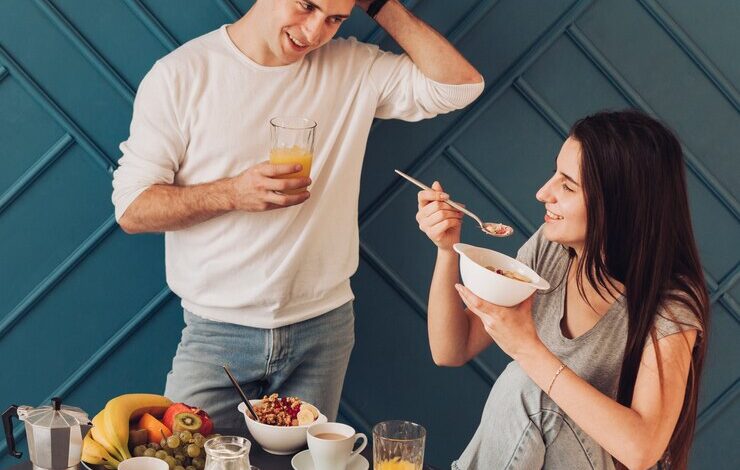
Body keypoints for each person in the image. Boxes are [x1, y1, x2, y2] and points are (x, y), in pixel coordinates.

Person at [111, 0, 483, 428]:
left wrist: (378, 4)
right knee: (183, 455)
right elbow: (133, 208)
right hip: (216, 334)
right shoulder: (181, 75)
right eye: (306, 6)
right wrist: (233, 193)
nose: (312, 32)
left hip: (323, 332)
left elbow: (460, 86)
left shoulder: (353, 67)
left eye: (335, 19)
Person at [415, 110, 708, 469]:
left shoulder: (671, 306)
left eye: (567, 186)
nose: (543, 193)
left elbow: (641, 450)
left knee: (528, 387)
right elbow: (451, 349)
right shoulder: (551, 251)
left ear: (619, 204)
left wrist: (528, 349)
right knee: (527, 384)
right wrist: (448, 249)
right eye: (555, 174)